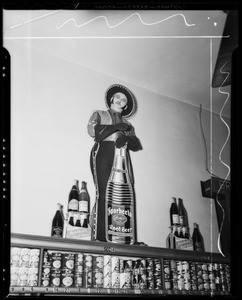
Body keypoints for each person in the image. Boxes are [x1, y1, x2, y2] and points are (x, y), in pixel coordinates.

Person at [87, 84, 142, 242]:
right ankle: (101, 236)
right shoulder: (99, 113)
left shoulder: (128, 124)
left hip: (123, 155)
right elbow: (94, 132)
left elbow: (137, 144)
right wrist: (116, 128)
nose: (120, 100)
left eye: (123, 99)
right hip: (103, 151)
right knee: (104, 192)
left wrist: (127, 137)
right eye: (118, 97)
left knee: (125, 195)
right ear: (111, 98)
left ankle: (122, 236)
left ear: (125, 105)